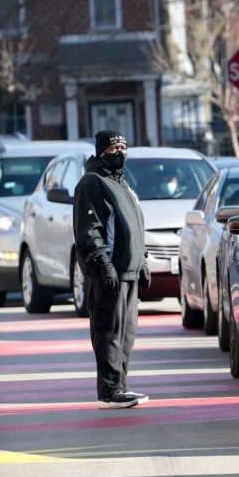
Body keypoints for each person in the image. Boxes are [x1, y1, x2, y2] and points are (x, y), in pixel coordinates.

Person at [74, 129, 152, 409]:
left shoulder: (123, 184)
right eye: (113, 147)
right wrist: (103, 265)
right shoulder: (92, 184)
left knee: (127, 332)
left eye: (123, 146)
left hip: (129, 271)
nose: (119, 152)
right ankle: (108, 391)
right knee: (109, 330)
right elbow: (90, 232)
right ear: (100, 151)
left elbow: (134, 225)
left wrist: (142, 260)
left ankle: (120, 387)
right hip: (110, 273)